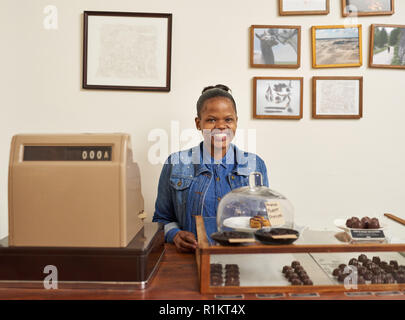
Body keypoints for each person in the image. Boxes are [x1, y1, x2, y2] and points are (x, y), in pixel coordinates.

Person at [152, 84, 269, 252]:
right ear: (198, 123)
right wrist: (175, 234)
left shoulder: (255, 164)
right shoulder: (175, 163)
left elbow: (263, 219)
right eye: (211, 120)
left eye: (228, 119)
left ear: (236, 121)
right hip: (191, 259)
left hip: (242, 258)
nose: (221, 126)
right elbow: (161, 219)